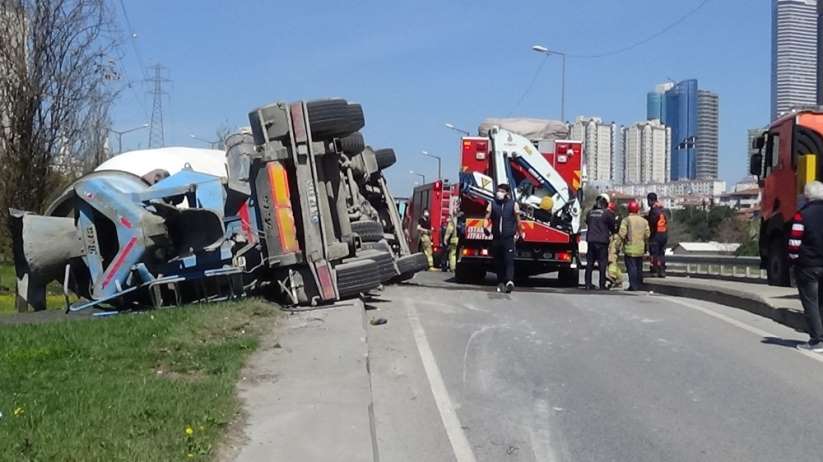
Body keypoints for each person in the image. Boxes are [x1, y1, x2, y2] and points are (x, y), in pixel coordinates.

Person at [788, 181, 823, 352]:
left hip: (808, 265)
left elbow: (794, 242)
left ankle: (817, 340)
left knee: (811, 302)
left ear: (807, 196)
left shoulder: (802, 215)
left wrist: (794, 259)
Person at [485, 183, 522, 293]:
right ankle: (500, 282)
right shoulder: (492, 204)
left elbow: (518, 220)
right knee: (498, 261)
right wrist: (485, 227)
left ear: (507, 193)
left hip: (508, 238)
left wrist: (520, 233)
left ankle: (510, 281)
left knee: (509, 261)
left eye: (501, 191)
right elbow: (487, 217)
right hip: (496, 238)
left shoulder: (513, 204)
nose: (499, 193)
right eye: (498, 190)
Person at [584, 193, 616, 290]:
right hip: (602, 242)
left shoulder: (590, 213)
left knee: (589, 263)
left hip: (591, 241)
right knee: (602, 264)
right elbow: (613, 227)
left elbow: (587, 222)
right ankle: (602, 284)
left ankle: (588, 284)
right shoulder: (607, 213)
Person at [619, 199, 650, 291]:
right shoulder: (644, 221)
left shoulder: (626, 220)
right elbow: (647, 234)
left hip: (630, 248)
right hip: (640, 248)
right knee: (639, 267)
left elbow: (622, 233)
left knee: (631, 268)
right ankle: (639, 285)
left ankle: (633, 286)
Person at [646, 192, 669, 278]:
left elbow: (652, 222)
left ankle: (655, 270)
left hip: (656, 234)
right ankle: (662, 270)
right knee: (661, 254)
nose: (648, 203)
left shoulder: (654, 210)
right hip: (664, 234)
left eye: (648, 200)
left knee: (654, 254)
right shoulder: (662, 209)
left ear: (651, 200)